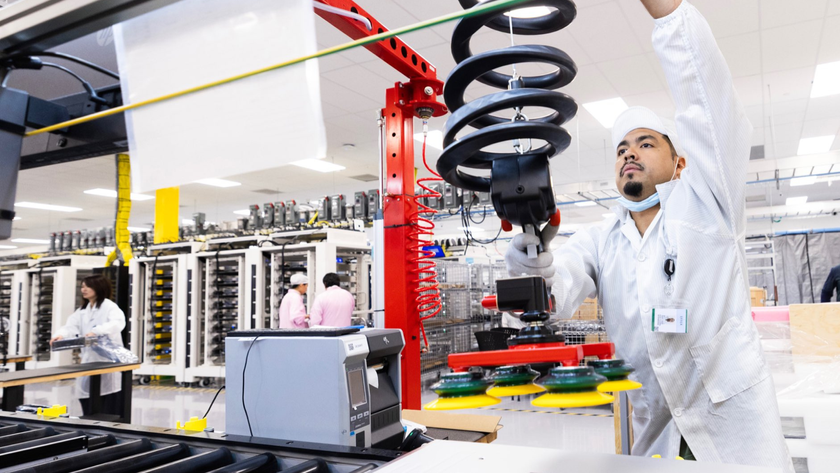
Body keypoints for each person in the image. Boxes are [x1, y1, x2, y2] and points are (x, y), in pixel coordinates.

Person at [504, 1, 793, 470]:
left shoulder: (709, 203)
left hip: (733, 430)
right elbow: (555, 291)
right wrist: (532, 253)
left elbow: (709, 104)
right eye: (621, 148)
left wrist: (669, 14)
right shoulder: (600, 240)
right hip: (657, 431)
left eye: (646, 143)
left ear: (680, 164)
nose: (629, 154)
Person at [49, 274, 126, 415]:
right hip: (89, 360)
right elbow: (71, 326)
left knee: (108, 400)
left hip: (107, 361)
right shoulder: (83, 311)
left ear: (99, 287)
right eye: (82, 286)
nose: (84, 290)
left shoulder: (109, 307)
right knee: (86, 396)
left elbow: (117, 323)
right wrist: (60, 335)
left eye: (88, 286)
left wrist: (96, 331)